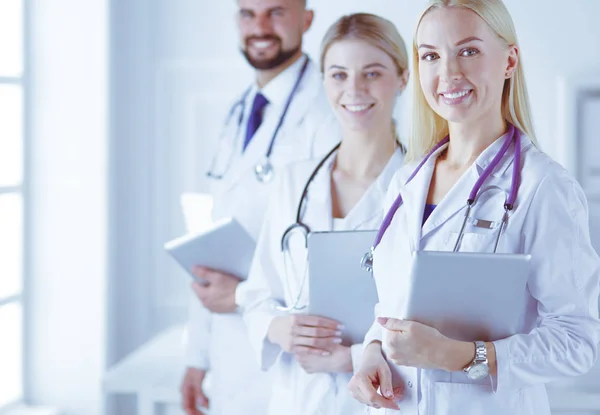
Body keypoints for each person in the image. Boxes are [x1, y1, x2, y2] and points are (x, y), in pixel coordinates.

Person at [348, 1, 600, 414]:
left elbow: (576, 342)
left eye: (468, 51)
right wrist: (373, 350)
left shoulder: (543, 187)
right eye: (430, 55)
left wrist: (459, 355)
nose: (448, 73)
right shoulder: (406, 181)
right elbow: (394, 306)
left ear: (509, 60)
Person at [238, 13, 410, 415]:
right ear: (324, 81)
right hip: (299, 398)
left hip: (386, 401)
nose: (354, 89)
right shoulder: (293, 181)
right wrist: (278, 328)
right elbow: (258, 295)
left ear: (403, 78)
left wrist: (348, 358)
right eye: (338, 75)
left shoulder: (423, 189)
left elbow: (439, 325)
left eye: (372, 73)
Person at [180, 0, 339, 414]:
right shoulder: (238, 111)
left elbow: (333, 254)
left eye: (276, 12)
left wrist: (242, 296)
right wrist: (197, 358)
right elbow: (211, 237)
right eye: (248, 14)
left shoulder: (330, 112)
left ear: (306, 19)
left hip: (287, 362)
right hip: (228, 356)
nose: (260, 26)